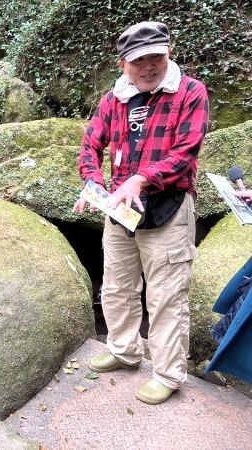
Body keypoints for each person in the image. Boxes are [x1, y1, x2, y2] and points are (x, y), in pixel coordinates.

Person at [72, 21, 209, 405]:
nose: (148, 66)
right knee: (117, 286)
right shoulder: (113, 99)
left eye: (156, 57)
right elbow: (90, 146)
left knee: (166, 295)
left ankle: (167, 373)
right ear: (123, 64)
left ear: (169, 54)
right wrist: (94, 183)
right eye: (138, 61)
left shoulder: (190, 92)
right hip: (120, 208)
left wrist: (140, 179)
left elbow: (186, 151)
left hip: (168, 206)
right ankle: (124, 350)